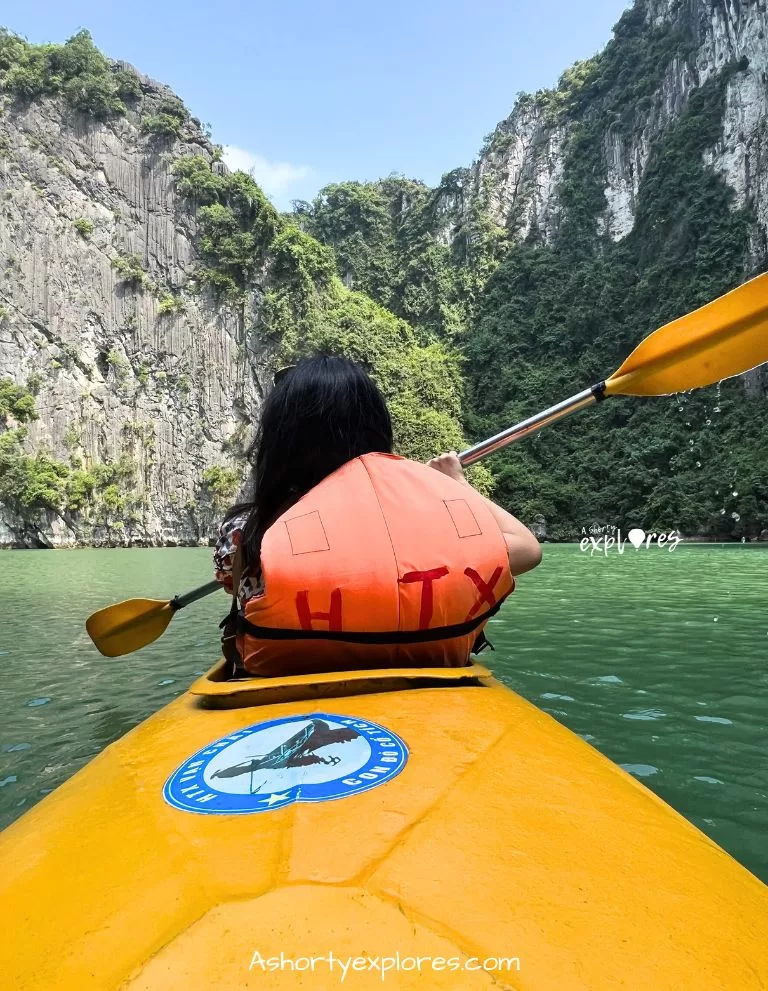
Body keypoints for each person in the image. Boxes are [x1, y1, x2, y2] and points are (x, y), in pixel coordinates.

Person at [213, 355, 541, 677]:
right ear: (376, 426)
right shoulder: (421, 521)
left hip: (278, 690)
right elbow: (527, 549)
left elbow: (234, 586)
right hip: (426, 681)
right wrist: (455, 484)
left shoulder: (244, 530)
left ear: (279, 440)